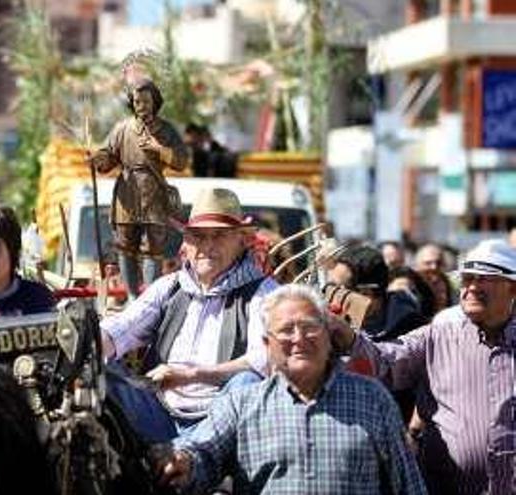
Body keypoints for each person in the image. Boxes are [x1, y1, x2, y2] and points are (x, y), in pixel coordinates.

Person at [161, 284, 426, 495]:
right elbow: (204, 453)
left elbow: (407, 483)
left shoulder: (372, 399)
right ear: (267, 344)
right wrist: (185, 462)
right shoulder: (242, 404)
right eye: (286, 330)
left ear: (327, 335)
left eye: (310, 327)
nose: (299, 339)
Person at [335, 239, 516, 494]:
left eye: (484, 279)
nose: (471, 288)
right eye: (467, 279)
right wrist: (347, 337)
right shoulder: (438, 334)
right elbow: (383, 361)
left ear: (513, 289)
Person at [100, 187, 277, 443]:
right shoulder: (170, 286)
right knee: (100, 372)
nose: (207, 246)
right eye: (197, 236)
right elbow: (122, 328)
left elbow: (264, 361)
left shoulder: (264, 293)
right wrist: (92, 342)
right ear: (186, 242)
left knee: (247, 383)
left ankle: (185, 455)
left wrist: (193, 374)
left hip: (222, 422)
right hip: (159, 413)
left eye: (219, 236)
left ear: (242, 241)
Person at [89, 78, 188, 299]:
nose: (141, 106)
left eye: (145, 101)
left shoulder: (166, 130)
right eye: (136, 102)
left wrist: (159, 148)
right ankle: (133, 296)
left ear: (155, 102)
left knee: (153, 245)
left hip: (153, 192)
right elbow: (108, 158)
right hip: (127, 191)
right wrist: (98, 159)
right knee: (125, 244)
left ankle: (150, 297)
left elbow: (181, 161)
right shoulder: (122, 129)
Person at [413, 242, 456, 313]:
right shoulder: (409, 285)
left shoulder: (450, 284)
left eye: (438, 262)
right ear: (417, 265)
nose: (434, 267)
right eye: (428, 263)